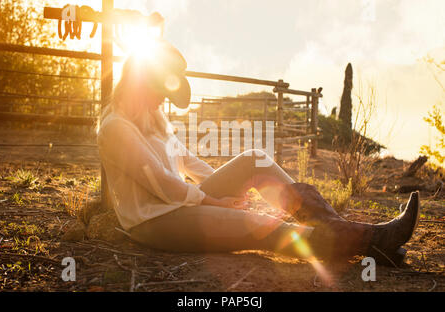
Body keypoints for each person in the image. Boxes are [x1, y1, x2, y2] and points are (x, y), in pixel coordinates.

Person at [97, 38, 420, 265]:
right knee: (260, 226)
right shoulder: (116, 128)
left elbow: (188, 161)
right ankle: (373, 241)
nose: (162, 100)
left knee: (254, 158)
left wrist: (230, 189)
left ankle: (365, 240)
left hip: (180, 203)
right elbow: (163, 186)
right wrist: (215, 202)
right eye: (159, 91)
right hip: (156, 221)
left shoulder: (154, 118)